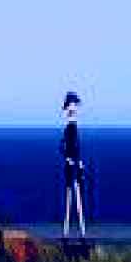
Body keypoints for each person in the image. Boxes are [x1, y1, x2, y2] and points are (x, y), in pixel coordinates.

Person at [60, 91, 85, 237]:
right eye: (72, 106)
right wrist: (70, 159)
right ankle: (68, 233)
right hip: (71, 164)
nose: (74, 109)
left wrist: (78, 162)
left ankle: (77, 233)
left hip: (74, 163)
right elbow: (67, 146)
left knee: (75, 196)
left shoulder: (72, 128)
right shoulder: (70, 129)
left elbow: (74, 147)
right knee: (71, 197)